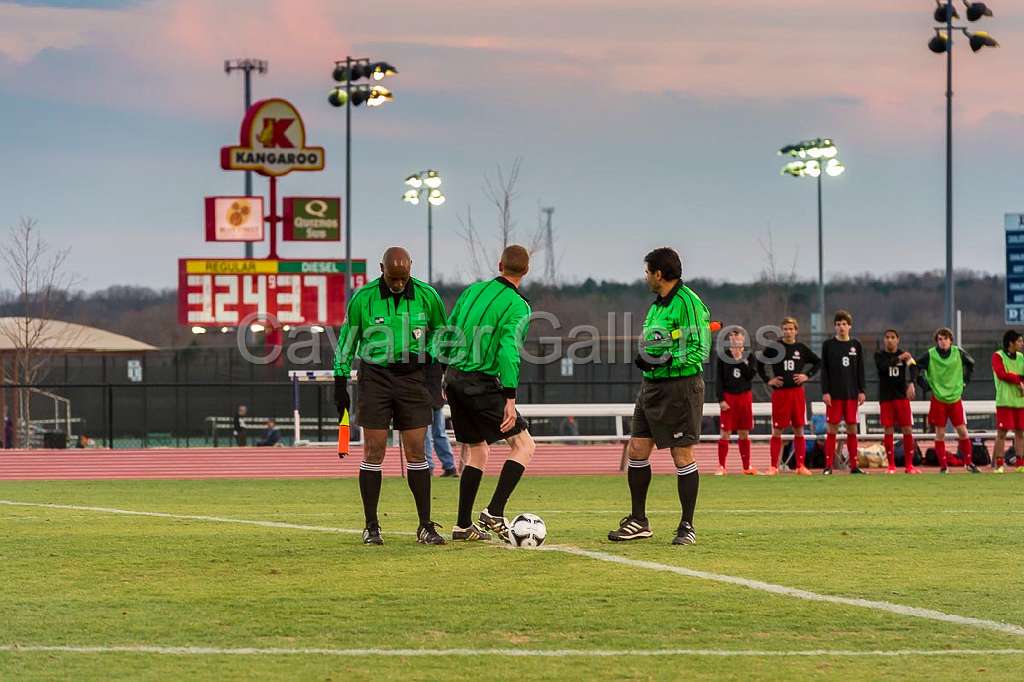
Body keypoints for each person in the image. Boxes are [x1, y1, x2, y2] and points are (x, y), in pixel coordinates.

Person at [333, 246, 449, 545]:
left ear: (411, 268)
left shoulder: (427, 295)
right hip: (376, 377)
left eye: (403, 277)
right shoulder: (363, 298)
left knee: (416, 451)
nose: (398, 284)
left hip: (413, 378)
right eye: (392, 278)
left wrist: (427, 356)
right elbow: (348, 339)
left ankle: (425, 525)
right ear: (381, 268)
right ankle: (372, 526)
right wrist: (339, 378)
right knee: (374, 450)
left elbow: (441, 332)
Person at [608, 247, 711, 546]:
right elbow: (657, 344)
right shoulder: (656, 307)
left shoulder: (688, 303)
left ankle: (687, 526)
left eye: (647, 271)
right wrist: (647, 357)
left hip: (680, 388)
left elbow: (699, 350)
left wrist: (667, 360)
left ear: (659, 273)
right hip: (651, 388)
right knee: (637, 450)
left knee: (682, 455)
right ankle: (639, 520)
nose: (645, 277)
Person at [433, 245, 536, 542]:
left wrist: (443, 372)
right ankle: (494, 511)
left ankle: (463, 525)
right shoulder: (518, 306)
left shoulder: (473, 291)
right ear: (525, 271)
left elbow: (448, 330)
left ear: (500, 264)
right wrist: (510, 397)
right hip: (480, 382)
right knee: (524, 445)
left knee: (478, 449)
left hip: (453, 378)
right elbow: (508, 350)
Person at [756, 317, 820, 476]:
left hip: (797, 393)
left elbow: (818, 362)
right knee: (777, 430)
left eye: (791, 329)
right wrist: (768, 380)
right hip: (780, 394)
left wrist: (807, 375)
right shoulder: (775, 347)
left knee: (799, 429)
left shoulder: (801, 348)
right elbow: (759, 364)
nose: (788, 331)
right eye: (785, 329)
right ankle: (773, 466)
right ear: (782, 330)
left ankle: (800, 466)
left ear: (796, 331)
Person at [915, 327, 977, 474]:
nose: (942, 342)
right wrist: (923, 384)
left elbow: (971, 363)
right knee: (940, 434)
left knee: (963, 432)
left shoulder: (958, 352)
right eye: (940, 339)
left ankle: (968, 463)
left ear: (951, 340)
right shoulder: (930, 354)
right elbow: (916, 367)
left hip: (955, 399)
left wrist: (965, 382)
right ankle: (943, 466)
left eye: (945, 338)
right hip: (939, 399)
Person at [820, 310, 867, 475]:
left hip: (851, 394)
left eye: (844, 324)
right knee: (831, 430)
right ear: (834, 326)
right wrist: (825, 391)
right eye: (838, 324)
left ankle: (854, 466)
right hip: (834, 394)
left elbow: (860, 369)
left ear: (850, 326)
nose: (841, 327)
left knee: (852, 430)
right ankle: (828, 466)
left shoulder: (856, 345)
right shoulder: (828, 345)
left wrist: (862, 390)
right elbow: (824, 370)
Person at [875, 329, 920, 474]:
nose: (889, 340)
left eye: (892, 337)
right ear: (884, 340)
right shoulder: (879, 355)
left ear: (897, 339)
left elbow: (914, 367)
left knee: (907, 429)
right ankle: (891, 466)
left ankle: (909, 465)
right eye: (887, 337)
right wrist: (899, 358)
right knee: (888, 430)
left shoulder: (904, 355)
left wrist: (912, 383)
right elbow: (883, 367)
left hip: (901, 397)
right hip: (886, 398)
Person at [715, 328, 757, 475]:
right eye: (731, 336)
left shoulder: (749, 356)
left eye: (737, 336)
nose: (734, 339)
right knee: (724, 433)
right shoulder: (723, 356)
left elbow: (750, 375)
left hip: (744, 397)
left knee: (743, 432)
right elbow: (719, 380)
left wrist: (739, 359)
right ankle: (721, 467)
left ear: (743, 339)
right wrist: (721, 399)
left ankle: (746, 467)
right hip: (728, 397)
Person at [991, 330, 1024, 473]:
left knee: (1021, 433)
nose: (1022, 344)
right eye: (1019, 341)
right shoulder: (998, 356)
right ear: (1011, 343)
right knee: (1002, 433)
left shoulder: (1021, 357)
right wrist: (1018, 380)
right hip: (1004, 401)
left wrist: (1020, 381)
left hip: (1020, 401)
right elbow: (1001, 374)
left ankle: (1020, 464)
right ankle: (999, 465)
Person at [424, 360, 458, 477]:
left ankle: (428, 467)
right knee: (439, 433)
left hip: (425, 397)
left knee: (426, 435)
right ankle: (449, 466)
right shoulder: (439, 357)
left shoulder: (421, 354)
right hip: (437, 397)